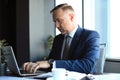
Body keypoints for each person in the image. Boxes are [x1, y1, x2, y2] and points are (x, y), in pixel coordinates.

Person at [22, 3, 100, 74]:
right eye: (55, 22)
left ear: (71, 17)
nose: (56, 26)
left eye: (59, 21)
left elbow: (87, 66)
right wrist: (34, 65)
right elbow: (49, 64)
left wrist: (51, 63)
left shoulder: (90, 36)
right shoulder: (58, 39)